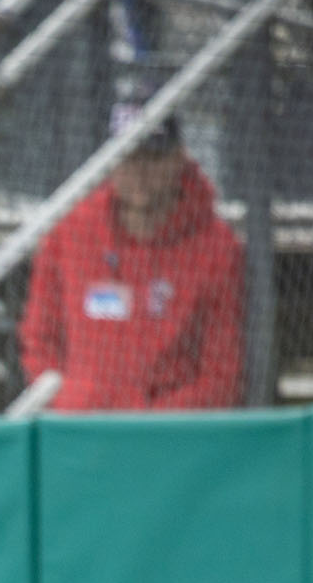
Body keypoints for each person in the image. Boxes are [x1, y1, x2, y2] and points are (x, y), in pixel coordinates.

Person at [17, 101, 243, 412]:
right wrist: (70, 404)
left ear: (179, 159)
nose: (139, 171)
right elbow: (40, 339)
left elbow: (221, 374)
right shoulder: (70, 233)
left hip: (169, 440)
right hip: (82, 433)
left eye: (153, 157)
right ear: (109, 161)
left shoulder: (216, 247)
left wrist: (147, 424)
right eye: (128, 156)